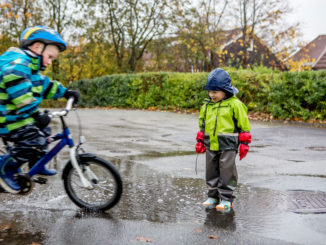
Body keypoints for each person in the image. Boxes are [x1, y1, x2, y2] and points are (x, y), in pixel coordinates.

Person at [0, 26, 80, 194]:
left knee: (45, 131)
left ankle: (36, 162)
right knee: (34, 141)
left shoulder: (32, 69)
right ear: (37, 47)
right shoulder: (18, 64)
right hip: (7, 119)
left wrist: (65, 92)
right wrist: (35, 114)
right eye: (50, 56)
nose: (50, 61)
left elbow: (45, 85)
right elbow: (19, 90)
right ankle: (4, 170)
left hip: (18, 117)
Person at [196, 68, 251, 212]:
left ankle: (226, 198)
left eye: (215, 92)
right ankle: (213, 196)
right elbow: (203, 124)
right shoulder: (207, 105)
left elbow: (243, 125)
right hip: (211, 143)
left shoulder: (235, 105)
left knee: (227, 171)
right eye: (210, 91)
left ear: (225, 91)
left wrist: (244, 142)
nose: (211, 95)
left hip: (228, 144)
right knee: (211, 170)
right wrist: (201, 140)